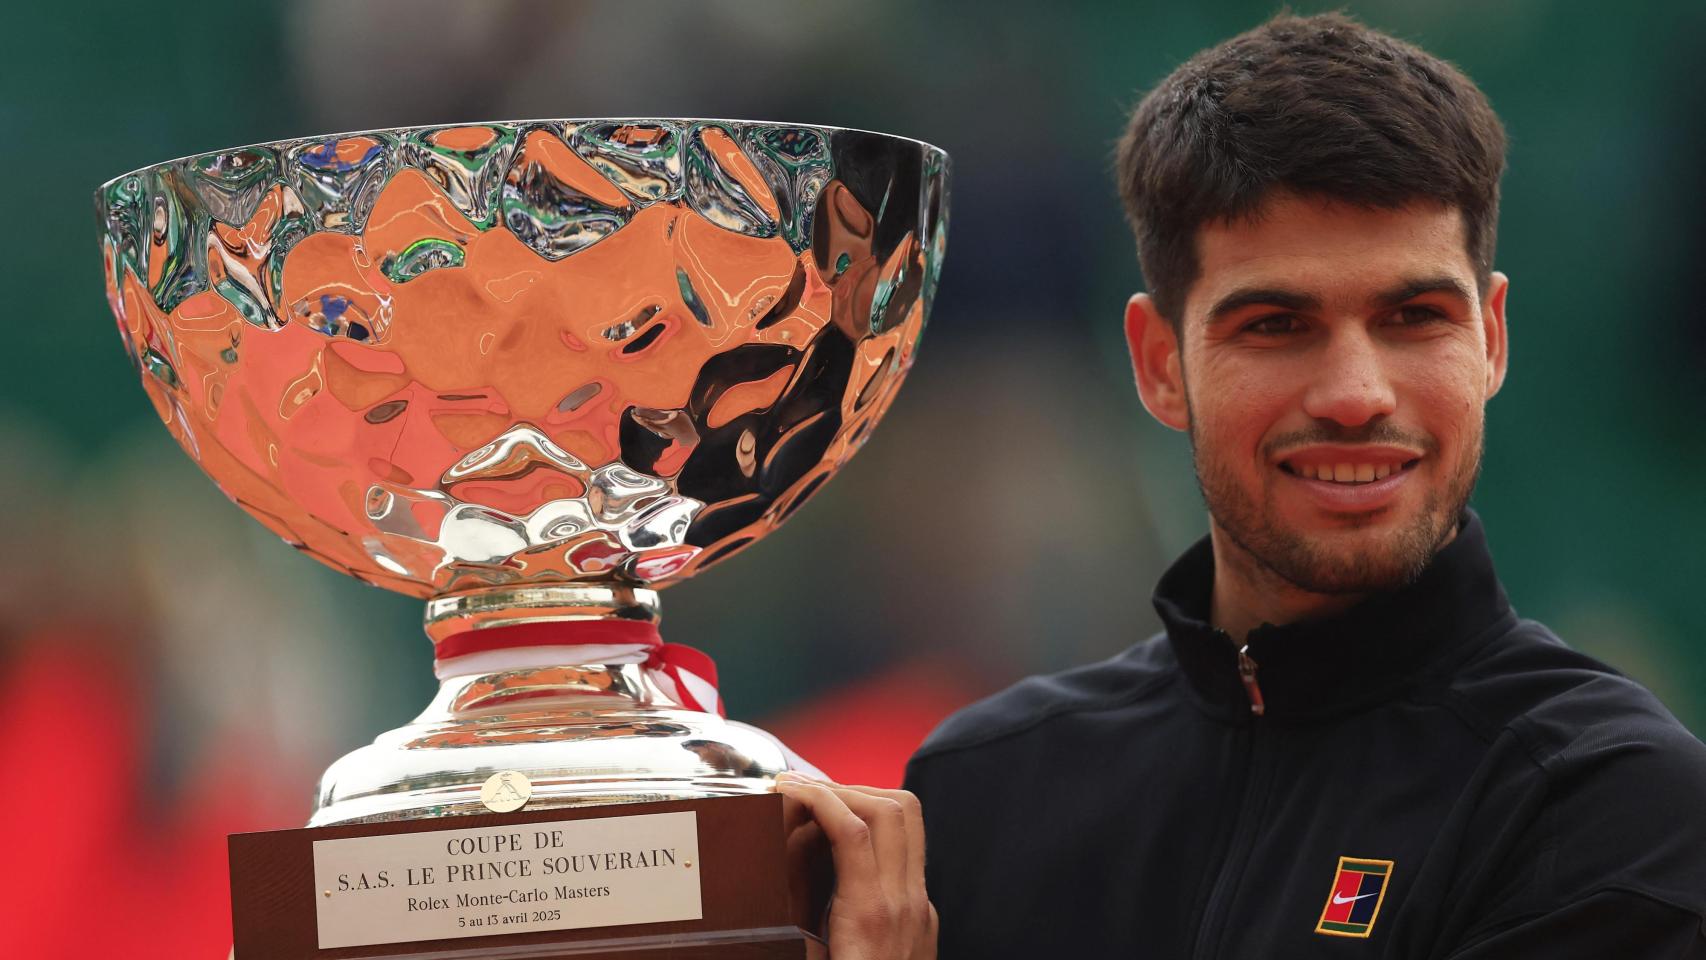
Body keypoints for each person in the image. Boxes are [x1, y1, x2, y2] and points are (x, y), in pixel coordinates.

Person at [776, 11, 1706, 959]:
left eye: (1415, 316)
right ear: (1159, 364)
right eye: (1275, 325)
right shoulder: (986, 787)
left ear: (1492, 338)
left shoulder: (1601, 798)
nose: (1356, 395)